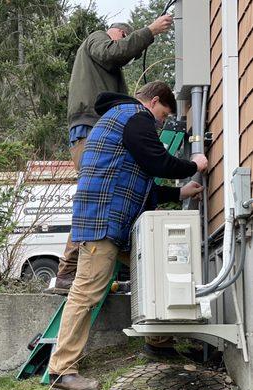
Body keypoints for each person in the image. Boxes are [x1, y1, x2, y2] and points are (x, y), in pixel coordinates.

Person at [48, 81, 208, 390]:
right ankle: (62, 371)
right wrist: (194, 165)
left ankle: (159, 343)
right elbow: (157, 162)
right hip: (105, 220)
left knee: (151, 270)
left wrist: (178, 192)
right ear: (155, 101)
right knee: (86, 294)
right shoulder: (135, 116)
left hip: (114, 220)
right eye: (163, 115)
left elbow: (138, 180)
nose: (161, 123)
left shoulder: (119, 118)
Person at [49, 15, 174, 294]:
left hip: (94, 127)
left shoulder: (106, 69)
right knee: (94, 196)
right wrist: (150, 30)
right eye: (126, 44)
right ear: (117, 34)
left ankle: (114, 266)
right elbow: (113, 53)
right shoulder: (98, 39)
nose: (126, 57)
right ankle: (68, 272)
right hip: (91, 128)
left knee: (110, 193)